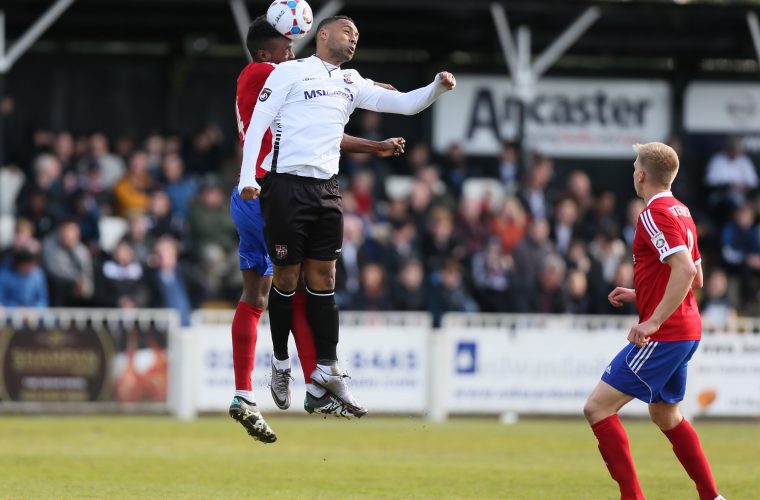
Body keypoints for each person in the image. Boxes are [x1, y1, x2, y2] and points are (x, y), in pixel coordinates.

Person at [237, 15, 454, 419]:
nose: (354, 38)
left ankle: (327, 369)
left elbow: (406, 103)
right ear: (322, 34)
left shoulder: (351, 82)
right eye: (347, 31)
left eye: (357, 34)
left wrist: (437, 88)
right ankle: (281, 363)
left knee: (325, 279)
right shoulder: (290, 73)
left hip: (327, 190)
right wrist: (249, 176)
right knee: (286, 278)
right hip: (285, 187)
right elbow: (258, 126)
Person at [583, 142, 723, 500]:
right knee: (665, 415)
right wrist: (639, 294)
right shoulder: (682, 211)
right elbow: (697, 279)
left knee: (597, 407)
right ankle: (712, 496)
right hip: (688, 329)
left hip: (668, 332)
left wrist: (653, 320)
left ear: (642, 175)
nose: (633, 172)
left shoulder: (651, 214)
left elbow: (685, 270)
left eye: (634, 166)